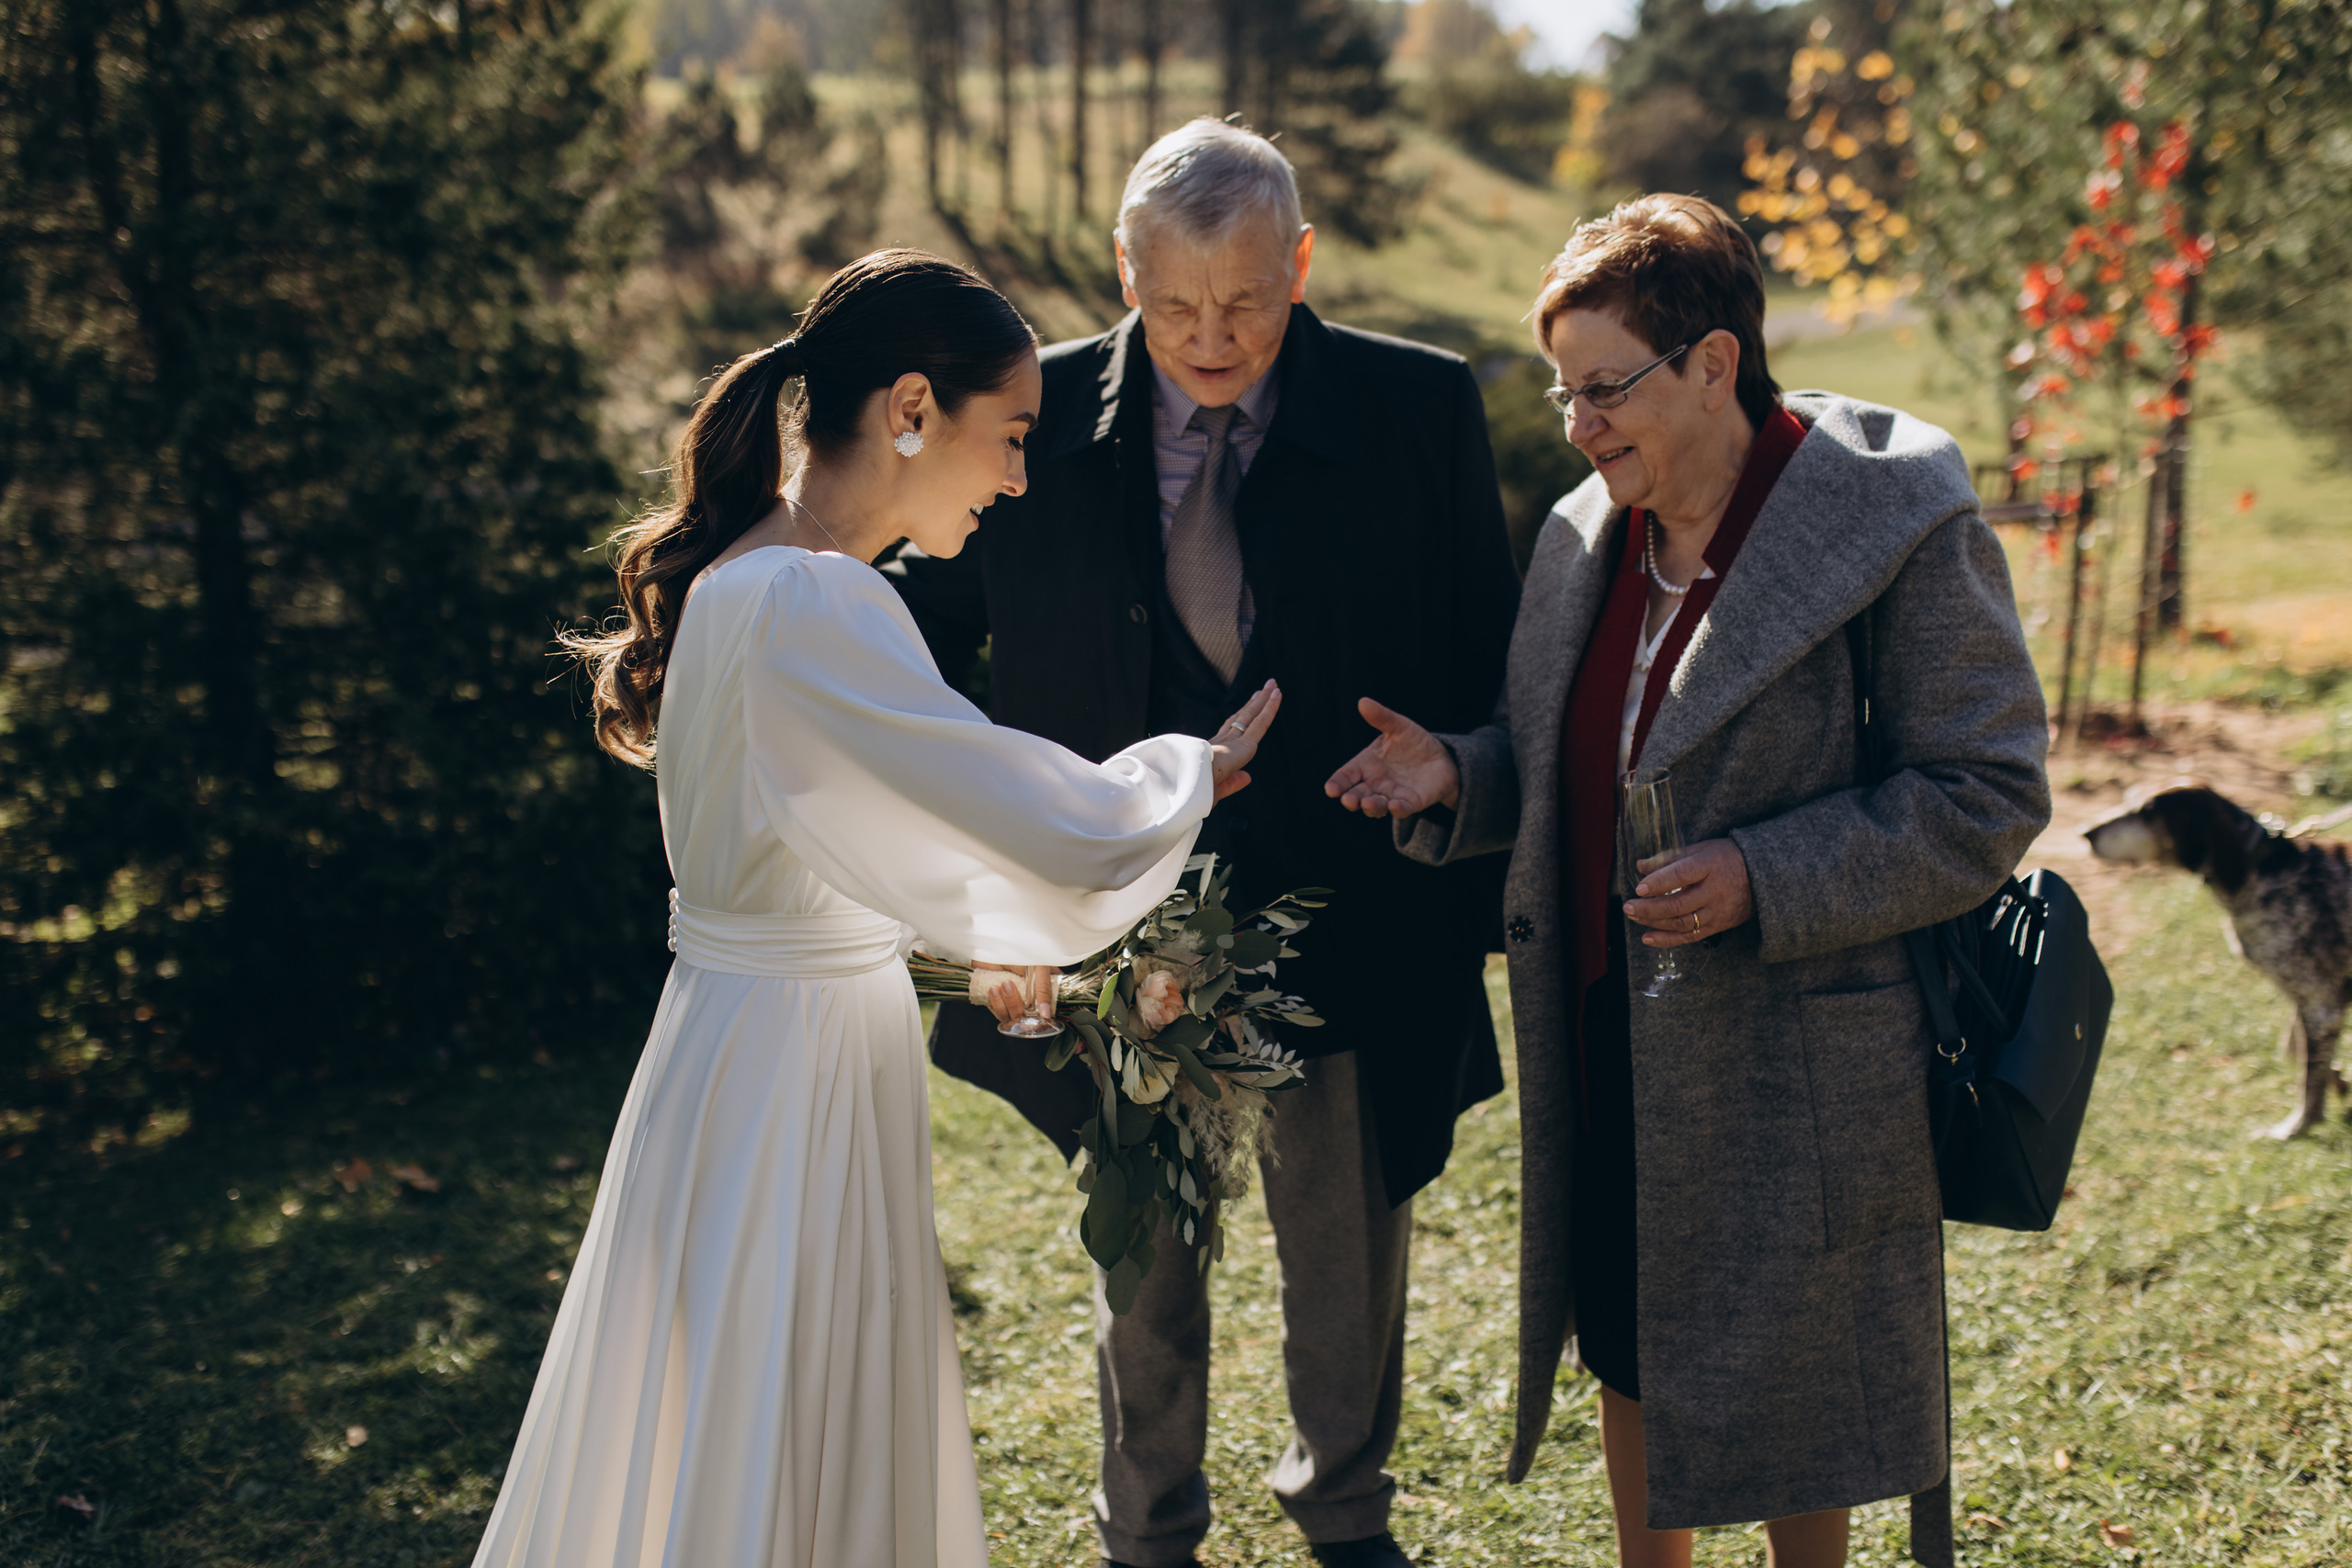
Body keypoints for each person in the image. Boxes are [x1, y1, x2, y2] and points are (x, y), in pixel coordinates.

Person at [473, 250, 1282, 1568]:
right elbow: (1011, 806)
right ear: (912, 407)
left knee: (745, 1413)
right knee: (780, 1410)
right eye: (1009, 436)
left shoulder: (752, 577)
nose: (1019, 479)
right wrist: (1187, 773)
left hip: (741, 1045)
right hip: (789, 1075)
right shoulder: (814, 596)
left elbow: (846, 845)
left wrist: (978, 946)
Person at [1324, 195, 2051, 1568]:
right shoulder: (1579, 540)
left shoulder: (1895, 520)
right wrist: (1461, 777)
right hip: (1609, 1027)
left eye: (1606, 390)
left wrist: (1764, 876)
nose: (1579, 427)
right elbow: (1568, 765)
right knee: (1630, 1338)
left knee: (1800, 1374)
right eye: (1564, 393)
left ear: (1715, 363)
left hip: (1806, 1054)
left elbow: (1989, 789)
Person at [883, 121, 1521, 1568]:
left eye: (1247, 301)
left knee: (1347, 1256)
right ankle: (1145, 1528)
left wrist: (1446, 765)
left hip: (1356, 912)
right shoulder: (1024, 408)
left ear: (1301, 262)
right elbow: (918, 630)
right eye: (1173, 307)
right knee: (1144, 1260)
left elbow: (1493, 664)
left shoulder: (1417, 409)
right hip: (1120, 925)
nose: (1213, 338)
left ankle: (1347, 1519)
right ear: (1124, 271)